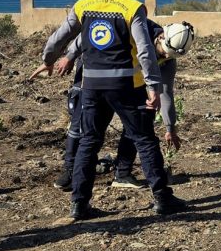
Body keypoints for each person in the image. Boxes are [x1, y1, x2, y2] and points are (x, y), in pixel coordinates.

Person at [41, 0, 184, 220]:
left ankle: (79, 204)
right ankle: (162, 199)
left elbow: (60, 37)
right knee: (144, 140)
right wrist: (152, 86)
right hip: (127, 86)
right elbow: (145, 50)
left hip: (92, 86)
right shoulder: (133, 7)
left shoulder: (83, 5)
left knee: (89, 142)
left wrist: (48, 60)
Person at [51, 19, 182, 191]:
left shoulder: (167, 61)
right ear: (160, 37)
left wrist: (170, 128)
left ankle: (123, 173)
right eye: (163, 52)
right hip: (98, 69)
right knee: (83, 123)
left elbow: (166, 94)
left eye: (169, 56)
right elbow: (91, 32)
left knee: (139, 119)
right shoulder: (136, 25)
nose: (164, 57)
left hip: (130, 83)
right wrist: (69, 56)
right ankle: (70, 172)